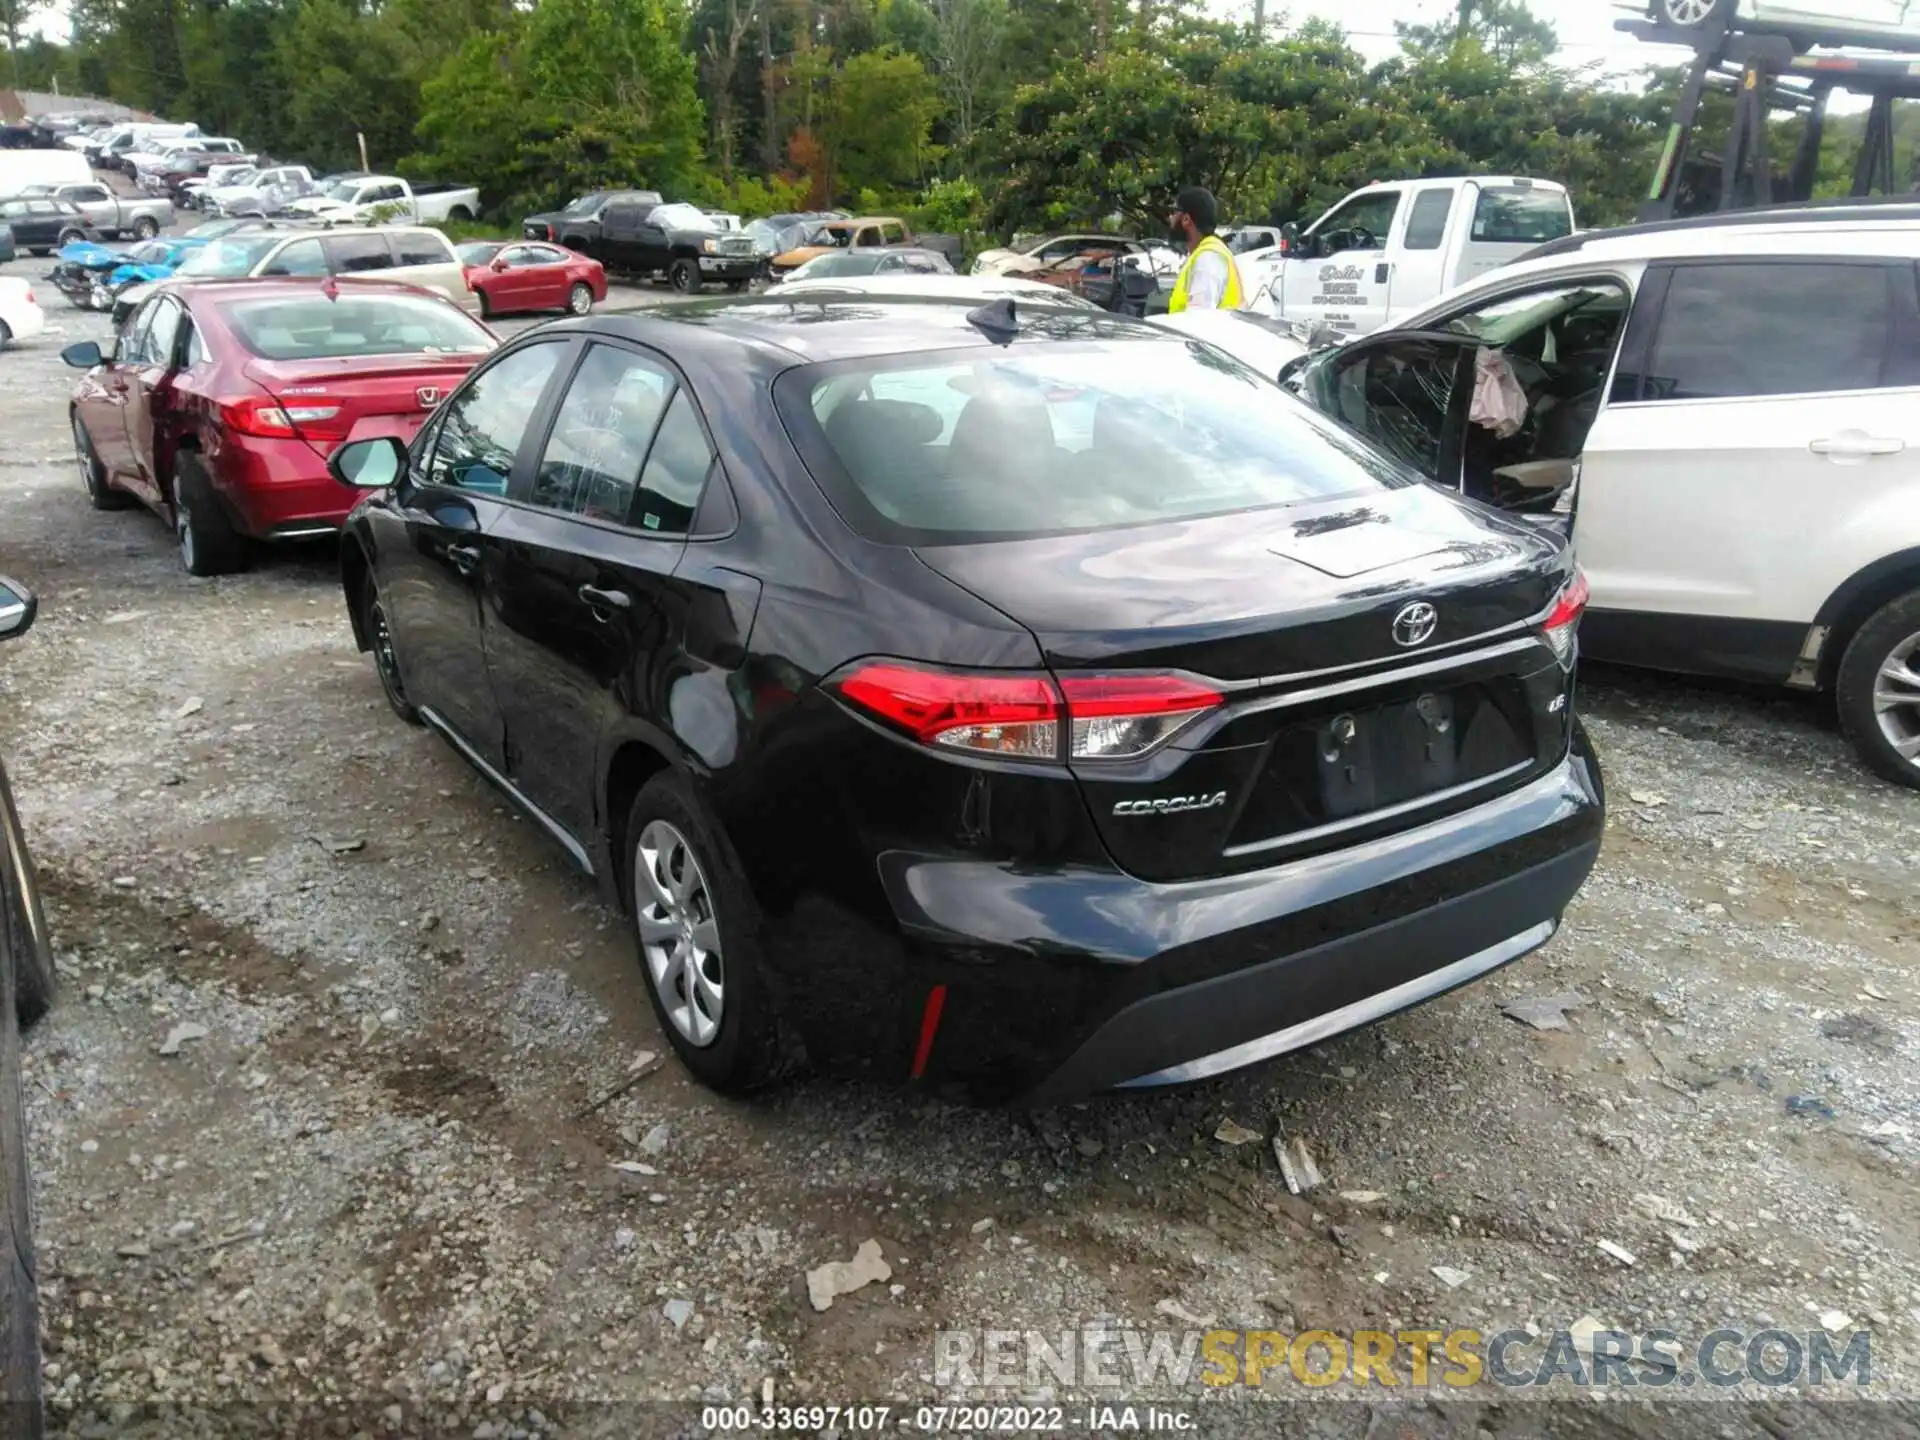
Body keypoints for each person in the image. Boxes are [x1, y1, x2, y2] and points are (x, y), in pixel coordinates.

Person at [1165, 185, 1244, 313]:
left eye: (1174, 212)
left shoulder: (1207, 258)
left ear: (1186, 219)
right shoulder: (1205, 253)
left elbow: (1199, 318)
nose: (1170, 218)